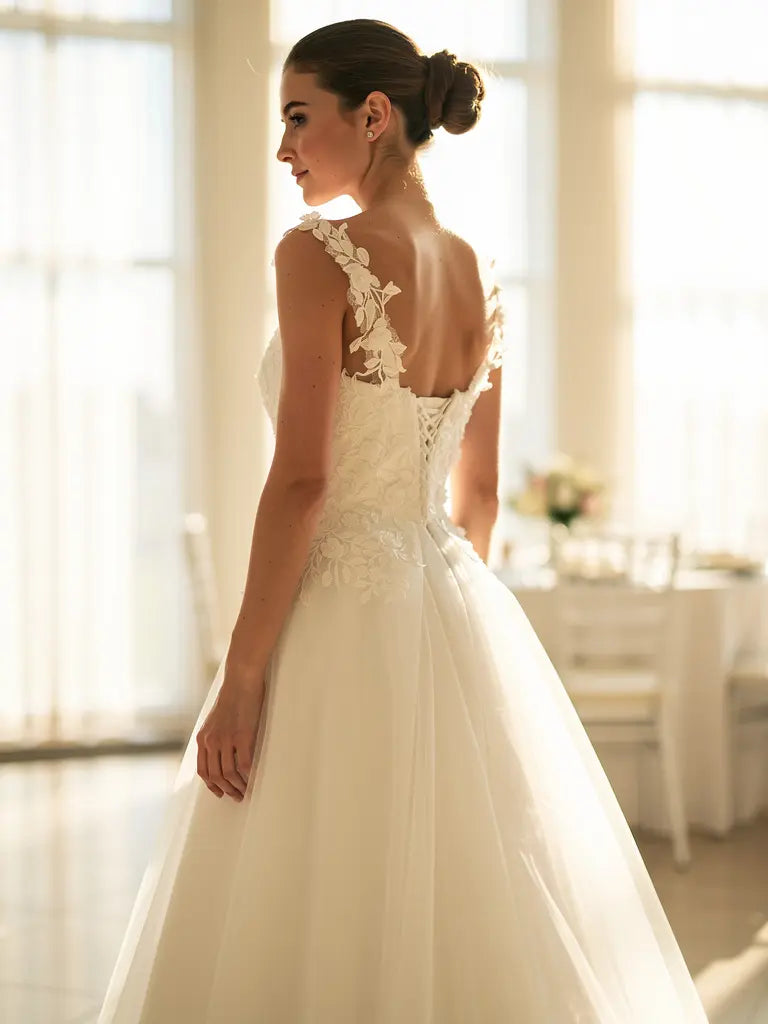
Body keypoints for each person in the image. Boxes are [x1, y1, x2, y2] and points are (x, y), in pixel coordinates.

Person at [98, 18, 709, 1022]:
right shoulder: (479, 274)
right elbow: (479, 497)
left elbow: (302, 481)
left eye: (299, 117)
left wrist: (244, 672)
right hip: (450, 598)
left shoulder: (317, 254)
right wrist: (448, 630)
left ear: (372, 116)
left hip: (338, 609)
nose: (283, 148)